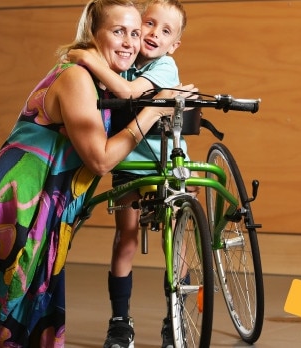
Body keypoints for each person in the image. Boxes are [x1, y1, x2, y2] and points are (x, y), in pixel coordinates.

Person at [0, 1, 195, 346]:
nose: (130, 42)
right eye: (118, 31)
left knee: (11, 324)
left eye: (135, 33)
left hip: (44, 211)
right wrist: (153, 111)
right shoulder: (78, 78)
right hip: (11, 204)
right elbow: (101, 161)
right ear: (94, 32)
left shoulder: (107, 80)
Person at [66, 1, 190, 347]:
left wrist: (88, 59)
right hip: (127, 164)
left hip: (165, 162)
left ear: (174, 44)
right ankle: (120, 321)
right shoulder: (123, 61)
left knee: (174, 243)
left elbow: (128, 92)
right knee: (127, 238)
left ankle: (175, 317)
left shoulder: (165, 66)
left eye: (165, 31)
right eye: (148, 24)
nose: (153, 34)